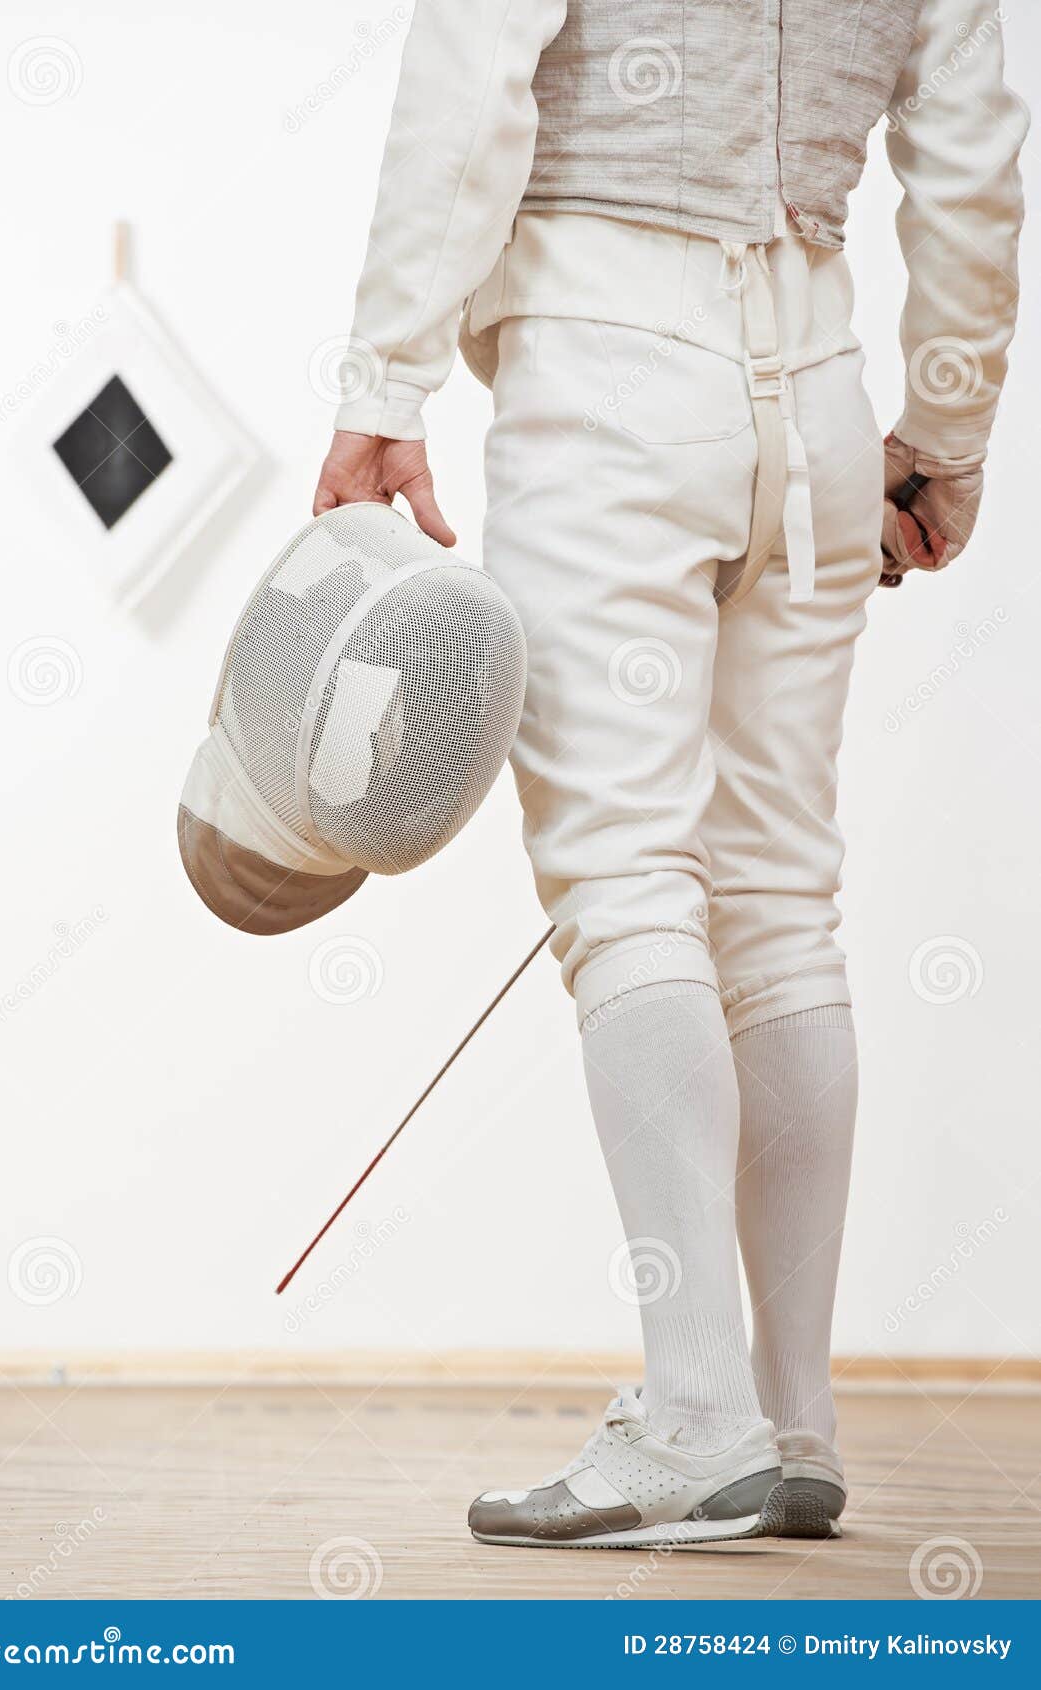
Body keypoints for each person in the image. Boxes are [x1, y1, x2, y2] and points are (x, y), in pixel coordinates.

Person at [313, 0, 1027, 1547]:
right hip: (823, 387)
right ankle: (793, 1417)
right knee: (777, 898)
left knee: (627, 879)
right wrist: (947, 426)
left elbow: (472, 72)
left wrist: (385, 381)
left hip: (605, 377)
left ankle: (697, 1412)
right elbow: (971, 147)